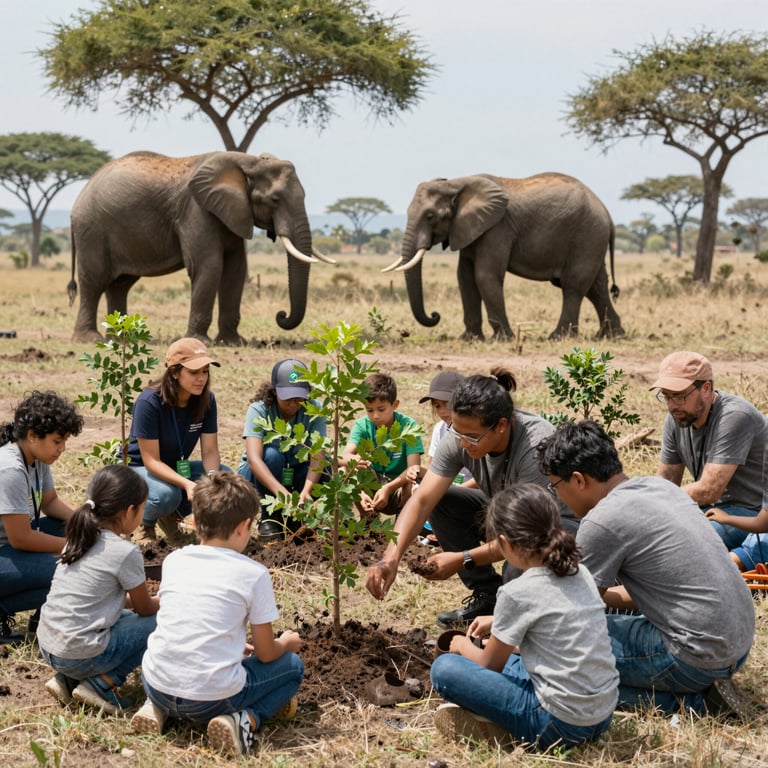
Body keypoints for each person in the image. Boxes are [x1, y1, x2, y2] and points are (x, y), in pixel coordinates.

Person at [538, 420, 754, 715]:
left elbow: (575, 612)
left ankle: (693, 703)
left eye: (555, 485)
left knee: (557, 649)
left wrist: (516, 629)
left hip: (694, 657)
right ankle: (699, 690)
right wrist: (604, 596)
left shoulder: (602, 520)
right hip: (735, 646)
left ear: (578, 479)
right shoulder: (660, 488)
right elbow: (660, 590)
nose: (557, 495)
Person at [366, 368, 576, 629]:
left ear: (501, 425)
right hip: (511, 520)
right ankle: (488, 595)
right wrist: (390, 559)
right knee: (443, 500)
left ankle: (517, 621)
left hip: (557, 534)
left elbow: (531, 537)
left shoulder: (535, 446)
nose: (462, 443)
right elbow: (422, 500)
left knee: (516, 573)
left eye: (472, 436)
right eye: (456, 431)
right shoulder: (462, 433)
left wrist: (462, 558)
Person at [430, 484, 618, 750]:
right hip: (602, 714)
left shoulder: (517, 592)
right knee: (507, 656)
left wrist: (460, 644)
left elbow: (488, 666)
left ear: (504, 543)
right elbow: (555, 635)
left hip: (558, 723)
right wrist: (498, 627)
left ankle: (508, 729)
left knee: (444, 669)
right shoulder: (580, 572)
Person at [132, 473, 304, 757]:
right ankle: (244, 720)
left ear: (195, 522)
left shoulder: (174, 561)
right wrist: (285, 642)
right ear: (244, 527)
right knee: (293, 667)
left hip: (155, 684)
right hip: (212, 700)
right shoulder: (254, 574)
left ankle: (157, 710)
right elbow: (265, 654)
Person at [37, 465, 159, 714]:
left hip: (49, 645)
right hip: (76, 652)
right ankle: (100, 684)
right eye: (143, 509)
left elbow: (100, 600)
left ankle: (66, 679)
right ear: (129, 512)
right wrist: (167, 598)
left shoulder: (78, 537)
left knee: (124, 617)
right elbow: (145, 609)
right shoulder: (124, 552)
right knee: (160, 622)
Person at [651, 350, 767, 548]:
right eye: (667, 397)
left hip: (750, 514)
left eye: (679, 396)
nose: (672, 405)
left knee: (680, 542)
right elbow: (666, 482)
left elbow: (708, 491)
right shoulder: (676, 418)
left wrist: (658, 497)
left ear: (706, 388)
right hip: (709, 510)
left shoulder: (734, 417)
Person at [125, 338, 227, 546]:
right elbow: (151, 461)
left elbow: (209, 451)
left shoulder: (207, 399)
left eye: (205, 371)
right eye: (193, 372)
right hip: (139, 469)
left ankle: (170, 517)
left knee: (225, 478)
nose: (201, 379)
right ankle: (143, 524)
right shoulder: (149, 401)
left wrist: (211, 480)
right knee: (165, 494)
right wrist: (187, 484)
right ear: (174, 372)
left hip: (174, 467)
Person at [0, 391, 83, 642]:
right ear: (33, 435)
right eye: (58, 441)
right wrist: (74, 547)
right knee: (69, 569)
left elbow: (49, 502)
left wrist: (86, 525)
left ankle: (42, 616)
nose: (62, 449)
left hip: (9, 550)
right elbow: (21, 539)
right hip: (8, 549)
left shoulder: (36, 458)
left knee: (67, 527)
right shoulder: (10, 469)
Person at [237, 359, 327, 542]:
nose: (294, 404)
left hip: (298, 471)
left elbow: (318, 455)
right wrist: (282, 495)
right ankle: (271, 518)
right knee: (271, 455)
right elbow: (254, 460)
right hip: (260, 475)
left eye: (299, 398)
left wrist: (307, 491)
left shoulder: (315, 409)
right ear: (274, 391)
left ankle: (303, 517)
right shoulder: (259, 410)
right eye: (288, 398)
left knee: (326, 468)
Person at [340, 373, 424, 519]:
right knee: (344, 470)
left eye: (381, 409)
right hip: (372, 484)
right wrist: (359, 493)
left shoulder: (408, 426)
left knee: (415, 481)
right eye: (370, 410)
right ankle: (367, 517)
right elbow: (342, 457)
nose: (375, 416)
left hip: (398, 486)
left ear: (395, 405)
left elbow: (413, 469)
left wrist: (388, 488)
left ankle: (402, 519)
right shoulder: (362, 425)